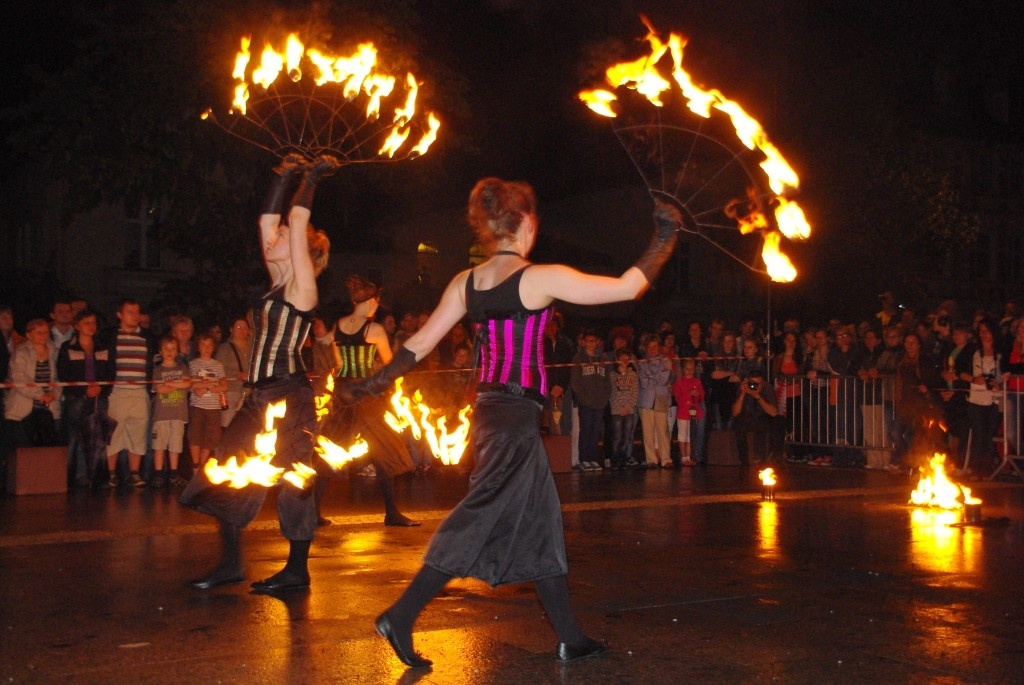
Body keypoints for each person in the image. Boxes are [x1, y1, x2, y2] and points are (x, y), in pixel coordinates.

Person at [339, 177, 681, 668]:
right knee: (479, 513)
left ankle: (570, 637)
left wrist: (372, 384)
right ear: (523, 224)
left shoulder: (466, 282)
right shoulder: (538, 278)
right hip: (514, 418)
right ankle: (402, 612)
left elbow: (418, 345)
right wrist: (664, 236)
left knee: (541, 523)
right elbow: (628, 288)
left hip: (491, 413)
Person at [179, 153, 336, 593]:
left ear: (302, 246)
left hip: (290, 397)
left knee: (293, 483)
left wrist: (312, 178)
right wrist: (282, 177)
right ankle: (230, 564)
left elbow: (296, 217)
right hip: (258, 398)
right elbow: (268, 220)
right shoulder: (276, 278)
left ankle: (296, 570)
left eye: (284, 236)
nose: (274, 237)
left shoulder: (303, 287)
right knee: (222, 469)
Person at [319, 274, 419, 527]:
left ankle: (312, 512)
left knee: (332, 449)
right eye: (376, 302)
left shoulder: (338, 326)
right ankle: (392, 513)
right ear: (370, 301)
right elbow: (389, 364)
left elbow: (340, 364)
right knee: (384, 449)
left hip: (342, 394)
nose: (377, 306)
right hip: (365, 394)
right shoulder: (373, 329)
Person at [101, 298, 156, 489]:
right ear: (120, 315)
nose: (135, 316)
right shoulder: (110, 337)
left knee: (138, 434)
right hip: (117, 392)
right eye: (130, 312)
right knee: (114, 434)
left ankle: (134, 474)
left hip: (140, 392)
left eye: (137, 311)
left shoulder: (147, 337)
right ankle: (111, 474)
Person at [56, 309, 114, 487]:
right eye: (87, 323)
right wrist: (83, 390)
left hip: (99, 397)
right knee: (74, 437)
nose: (91, 327)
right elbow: (64, 374)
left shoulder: (102, 347)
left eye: (93, 323)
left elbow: (111, 373)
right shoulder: (68, 347)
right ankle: (71, 478)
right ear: (77, 326)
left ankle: (97, 477)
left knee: (99, 436)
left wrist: (101, 389)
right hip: (77, 398)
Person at [150, 335, 191, 488]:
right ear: (160, 351)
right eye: (166, 349)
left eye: (173, 349)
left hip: (179, 415)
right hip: (162, 415)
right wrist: (177, 384)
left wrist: (171, 384)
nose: (169, 351)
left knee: (175, 445)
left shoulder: (182, 368)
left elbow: (187, 384)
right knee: (159, 445)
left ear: (177, 351)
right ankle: (158, 474)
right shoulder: (158, 370)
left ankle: (174, 474)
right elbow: (160, 388)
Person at [570, 330, 610, 471]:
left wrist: (605, 397)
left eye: (593, 341)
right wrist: (582, 396)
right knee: (585, 429)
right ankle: (584, 459)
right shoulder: (578, 358)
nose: (591, 344)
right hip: (586, 401)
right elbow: (575, 381)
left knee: (595, 430)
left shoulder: (602, 359)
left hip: (599, 401)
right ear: (584, 342)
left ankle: (593, 458)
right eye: (588, 341)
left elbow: (607, 380)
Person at [187, 333, 227, 473]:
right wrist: (210, 385)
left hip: (214, 407)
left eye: (209, 345)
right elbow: (196, 389)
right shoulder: (193, 364)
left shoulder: (218, 365)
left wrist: (207, 385)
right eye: (203, 345)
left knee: (213, 437)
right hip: (197, 406)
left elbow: (224, 386)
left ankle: (201, 465)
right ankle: (195, 464)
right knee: (195, 435)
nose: (206, 348)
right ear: (198, 347)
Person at [731, 368, 777, 467]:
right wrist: (742, 394)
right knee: (738, 424)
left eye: (758, 383)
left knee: (764, 423)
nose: (755, 386)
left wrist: (757, 396)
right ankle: (744, 460)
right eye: (752, 383)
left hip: (764, 417)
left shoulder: (767, 388)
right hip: (748, 417)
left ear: (762, 382)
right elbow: (735, 412)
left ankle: (761, 457)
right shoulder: (744, 387)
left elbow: (773, 413)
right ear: (748, 381)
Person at [215, 316, 252, 430]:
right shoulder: (224, 348)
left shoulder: (253, 349)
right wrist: (236, 374)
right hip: (232, 391)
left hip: (251, 392)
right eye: (239, 327)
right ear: (232, 329)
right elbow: (218, 369)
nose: (242, 330)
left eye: (245, 327)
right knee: (228, 425)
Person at [607, 349, 639, 470]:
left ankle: (623, 457)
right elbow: (611, 393)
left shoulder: (633, 375)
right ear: (617, 359)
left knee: (627, 436)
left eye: (627, 358)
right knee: (617, 435)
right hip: (617, 410)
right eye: (622, 358)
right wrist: (618, 407)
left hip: (629, 410)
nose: (625, 361)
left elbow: (635, 392)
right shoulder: (612, 375)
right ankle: (614, 458)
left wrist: (629, 406)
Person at [672, 358, 705, 466]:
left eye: (692, 369)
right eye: (687, 369)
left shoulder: (697, 382)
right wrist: (689, 394)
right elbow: (677, 398)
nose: (690, 371)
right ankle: (683, 457)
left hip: (693, 414)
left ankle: (689, 457)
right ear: (683, 370)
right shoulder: (679, 382)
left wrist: (697, 394)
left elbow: (701, 397)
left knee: (690, 436)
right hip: (683, 413)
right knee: (682, 436)